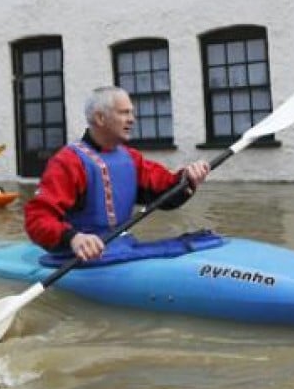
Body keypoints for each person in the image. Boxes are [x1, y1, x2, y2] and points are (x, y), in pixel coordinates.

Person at [25, 86, 211, 262]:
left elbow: (164, 189)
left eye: (131, 112)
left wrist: (187, 178)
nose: (132, 119)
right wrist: (73, 238)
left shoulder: (130, 157)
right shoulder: (68, 161)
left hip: (122, 248)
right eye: (124, 113)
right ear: (100, 118)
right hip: (78, 256)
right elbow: (37, 219)